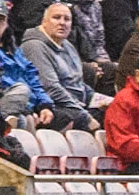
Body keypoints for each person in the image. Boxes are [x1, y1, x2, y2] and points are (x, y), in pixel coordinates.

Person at [0, 0, 85, 129]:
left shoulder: (11, 47)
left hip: (25, 102)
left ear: (6, 22)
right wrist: (29, 108)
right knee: (23, 102)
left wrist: (44, 105)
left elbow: (32, 77)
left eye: (0, 19)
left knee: (39, 117)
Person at [22, 2, 109, 132]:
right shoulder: (34, 47)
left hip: (77, 105)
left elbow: (79, 85)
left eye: (67, 19)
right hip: (52, 107)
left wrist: (104, 100)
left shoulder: (68, 46)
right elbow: (51, 88)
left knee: (115, 111)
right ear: (44, 21)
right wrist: (84, 115)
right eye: (56, 18)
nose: (62, 23)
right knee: (77, 119)